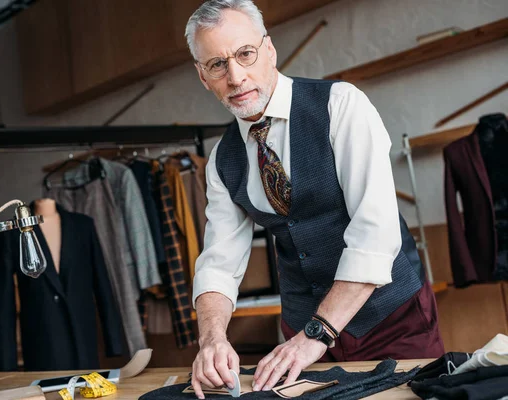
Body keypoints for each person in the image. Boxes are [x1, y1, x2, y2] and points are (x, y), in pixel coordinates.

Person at [184, 0, 445, 398]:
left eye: (245, 54)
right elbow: (219, 263)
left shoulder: (341, 105)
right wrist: (212, 340)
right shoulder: (221, 160)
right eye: (217, 65)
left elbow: (375, 234)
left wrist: (318, 332)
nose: (235, 77)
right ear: (203, 77)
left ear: (269, 50)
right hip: (301, 341)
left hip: (393, 322)